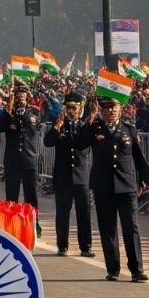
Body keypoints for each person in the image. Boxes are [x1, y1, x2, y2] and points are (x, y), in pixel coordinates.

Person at [78, 97, 149, 282]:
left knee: (131, 227)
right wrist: (89, 119)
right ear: (102, 110)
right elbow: (79, 143)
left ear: (121, 109)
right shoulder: (94, 128)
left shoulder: (129, 129)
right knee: (108, 228)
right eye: (107, 107)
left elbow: (138, 156)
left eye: (114, 107)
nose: (111, 111)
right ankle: (113, 269)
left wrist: (146, 179)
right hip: (103, 185)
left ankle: (137, 270)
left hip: (126, 185)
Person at [44, 97, 95, 258]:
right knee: (62, 213)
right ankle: (62, 246)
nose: (72, 111)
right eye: (69, 108)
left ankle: (85, 246)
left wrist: (90, 122)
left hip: (81, 176)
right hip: (63, 176)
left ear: (80, 109)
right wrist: (56, 128)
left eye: (75, 108)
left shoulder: (85, 126)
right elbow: (47, 142)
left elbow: (88, 143)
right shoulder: (60, 124)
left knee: (83, 213)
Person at [0, 89, 43, 224]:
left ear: (27, 96)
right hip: (13, 161)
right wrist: (8, 112)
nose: (21, 96)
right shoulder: (9, 112)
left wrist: (24, 114)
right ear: (15, 97)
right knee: (11, 197)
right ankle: (10, 224)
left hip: (29, 160)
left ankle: (33, 224)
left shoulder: (34, 112)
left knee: (31, 196)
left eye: (24, 93)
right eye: (19, 94)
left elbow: (36, 126)